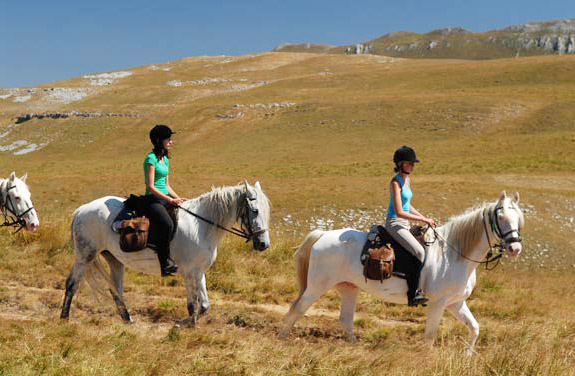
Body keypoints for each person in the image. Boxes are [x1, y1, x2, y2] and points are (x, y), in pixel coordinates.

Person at [385, 145, 436, 306]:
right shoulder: (395, 182)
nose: (412, 166)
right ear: (400, 164)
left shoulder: (407, 180)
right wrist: (423, 220)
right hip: (394, 223)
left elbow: (408, 205)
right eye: (409, 163)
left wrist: (424, 217)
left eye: (413, 164)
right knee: (419, 252)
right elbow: (399, 211)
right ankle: (413, 293)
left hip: (405, 223)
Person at [143, 125, 184, 276]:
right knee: (167, 224)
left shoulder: (165, 158)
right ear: (159, 140)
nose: (171, 142)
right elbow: (151, 186)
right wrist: (169, 199)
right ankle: (164, 264)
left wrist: (177, 198)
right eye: (168, 139)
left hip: (165, 199)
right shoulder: (150, 159)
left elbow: (167, 185)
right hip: (152, 199)